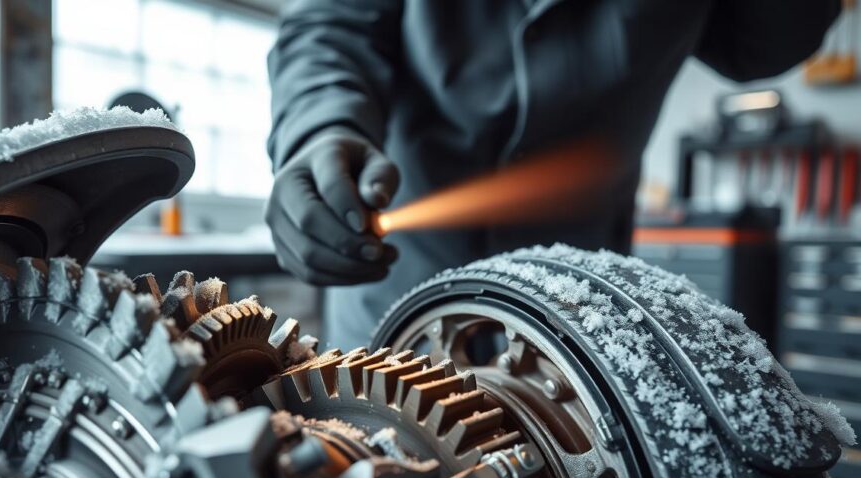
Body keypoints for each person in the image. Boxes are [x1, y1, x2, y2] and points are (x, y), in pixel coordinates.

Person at [265, 1, 840, 349]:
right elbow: (330, 28)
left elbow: (767, 45)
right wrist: (319, 130)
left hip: (575, 322)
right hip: (394, 299)